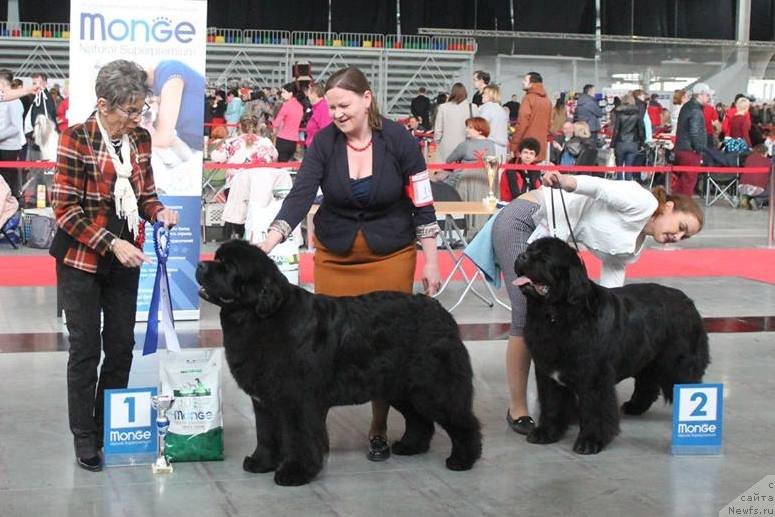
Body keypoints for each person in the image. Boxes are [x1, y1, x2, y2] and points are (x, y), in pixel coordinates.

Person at [259, 66, 441, 463]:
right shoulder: (323, 142)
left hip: (391, 255)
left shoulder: (400, 140)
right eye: (331, 107)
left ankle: (378, 427)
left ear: (367, 99)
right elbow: (300, 195)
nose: (337, 114)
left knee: (384, 349)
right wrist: (269, 241)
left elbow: (423, 203)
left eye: (344, 105)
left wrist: (430, 261)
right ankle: (314, 433)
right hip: (336, 257)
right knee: (326, 349)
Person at [468, 171, 703, 437]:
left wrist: (613, 326)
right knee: (527, 312)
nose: (678, 237)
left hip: (552, 237)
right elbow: (601, 188)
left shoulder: (636, 243)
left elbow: (613, 284)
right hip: (527, 218)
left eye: (685, 237)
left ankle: (563, 403)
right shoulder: (643, 201)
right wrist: (570, 183)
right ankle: (518, 408)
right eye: (681, 227)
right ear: (670, 207)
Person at [50, 59, 179, 472]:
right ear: (103, 104)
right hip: (81, 261)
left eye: (141, 109)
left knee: (121, 347)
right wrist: (112, 243)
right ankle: (84, 437)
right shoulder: (76, 138)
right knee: (85, 349)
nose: (136, 118)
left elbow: (146, 194)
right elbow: (65, 210)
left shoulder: (140, 139)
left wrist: (159, 212)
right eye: (129, 110)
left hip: (125, 261)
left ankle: (108, 427)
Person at [210, 114, 280, 239]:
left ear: (239, 127)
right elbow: (275, 156)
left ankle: (238, 233)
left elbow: (215, 156)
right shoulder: (266, 143)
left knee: (238, 206)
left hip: (236, 188)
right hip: (262, 187)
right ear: (257, 126)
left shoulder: (231, 142)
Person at [441, 116, 495, 234]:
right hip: (485, 185)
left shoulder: (465, 145)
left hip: (464, 183)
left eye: (470, 127)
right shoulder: (491, 145)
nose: (466, 130)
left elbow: (449, 160)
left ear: (479, 130)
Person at [673, 83, 712, 196]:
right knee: (688, 183)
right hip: (690, 151)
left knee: (681, 182)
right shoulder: (696, 110)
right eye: (708, 95)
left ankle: (676, 205)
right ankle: (684, 208)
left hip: (681, 147)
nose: (709, 98)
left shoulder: (687, 106)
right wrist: (699, 149)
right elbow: (694, 132)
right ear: (700, 95)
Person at [510, 72, 552, 162]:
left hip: (526, 147)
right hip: (540, 148)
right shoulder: (547, 101)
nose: (522, 82)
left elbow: (522, 123)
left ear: (532, 83)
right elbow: (549, 124)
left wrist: (513, 145)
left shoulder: (528, 98)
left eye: (525, 80)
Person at [434, 83, 477, 162]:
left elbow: (438, 129)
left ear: (452, 93)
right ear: (465, 93)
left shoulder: (443, 107)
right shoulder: (472, 107)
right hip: (466, 146)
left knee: (445, 171)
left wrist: (437, 141)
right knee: (463, 171)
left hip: (446, 146)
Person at [0, 69, 25, 198]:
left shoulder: (15, 102)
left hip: (9, 148)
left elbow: (15, 127)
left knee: (8, 182)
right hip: (2, 147)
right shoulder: (4, 99)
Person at [611, 93, 646, 179]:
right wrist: (642, 143)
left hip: (620, 143)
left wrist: (612, 144)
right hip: (633, 143)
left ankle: (620, 186)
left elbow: (616, 130)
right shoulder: (638, 114)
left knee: (619, 168)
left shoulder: (619, 114)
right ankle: (628, 186)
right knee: (629, 168)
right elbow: (641, 130)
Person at [499, 137, 541, 202]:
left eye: (531, 153)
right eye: (525, 152)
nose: (528, 156)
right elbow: (504, 196)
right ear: (520, 154)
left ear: (535, 157)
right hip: (512, 206)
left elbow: (538, 193)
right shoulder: (509, 171)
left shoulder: (537, 172)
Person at [273, 82, 304, 162]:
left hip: (283, 139)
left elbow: (276, 123)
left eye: (284, 92)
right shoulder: (300, 106)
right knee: (288, 166)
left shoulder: (286, 105)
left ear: (290, 93)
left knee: (280, 167)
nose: (282, 95)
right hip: (294, 141)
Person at [478, 85, 509, 158]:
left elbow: (479, 127)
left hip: (489, 147)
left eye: (484, 93)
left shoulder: (487, 108)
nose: (482, 95)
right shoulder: (502, 110)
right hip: (502, 148)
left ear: (490, 95)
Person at [738, 143, 771, 210]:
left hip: (741, 188)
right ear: (765, 152)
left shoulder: (748, 158)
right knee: (771, 191)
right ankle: (756, 201)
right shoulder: (768, 161)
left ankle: (745, 198)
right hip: (756, 190)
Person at [304, 82, 332, 148]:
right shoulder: (318, 107)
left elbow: (326, 131)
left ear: (314, 94)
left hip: (318, 149)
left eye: (309, 93)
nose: (307, 96)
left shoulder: (323, 108)